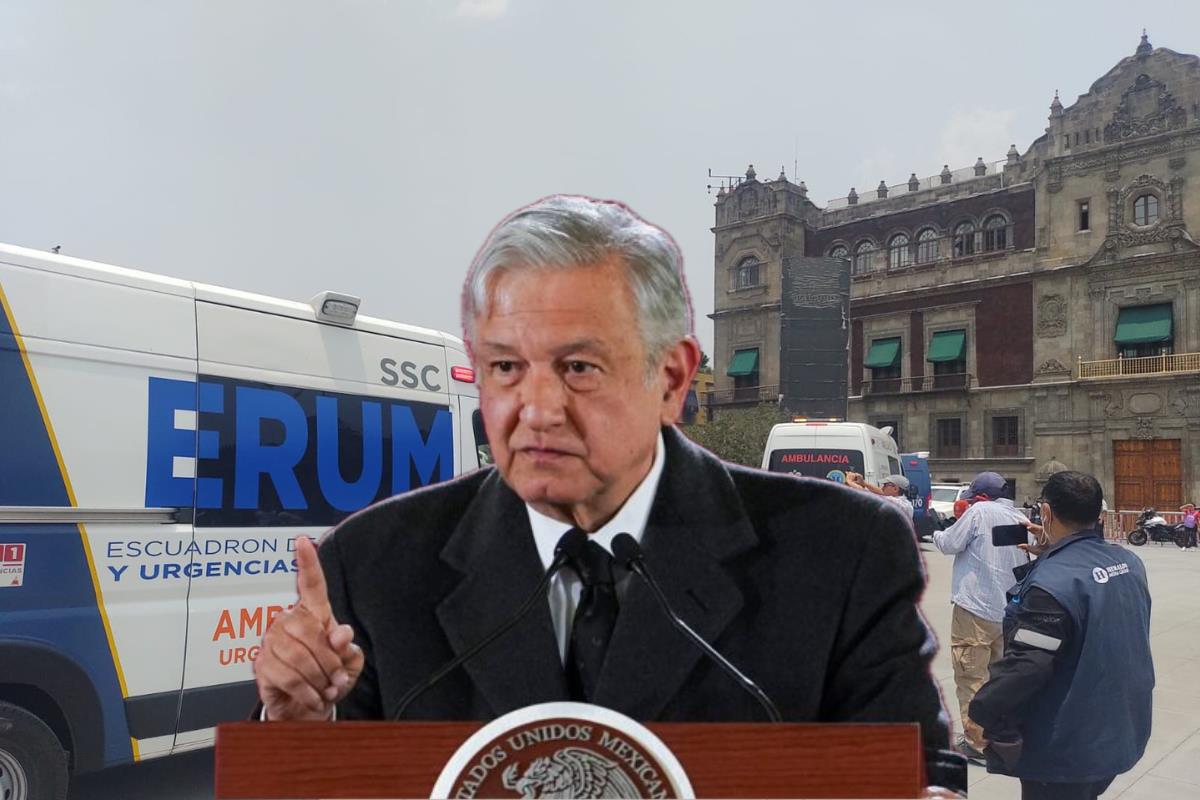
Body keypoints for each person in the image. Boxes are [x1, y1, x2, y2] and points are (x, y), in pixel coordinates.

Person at [251, 195, 966, 795]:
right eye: (505, 366)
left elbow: (917, 769)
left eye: (579, 367)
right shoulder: (373, 566)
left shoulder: (838, 551)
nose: (535, 408)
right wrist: (298, 735)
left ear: (673, 379)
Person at [970, 471, 1152, 800]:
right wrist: (1054, 554)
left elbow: (1027, 667)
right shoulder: (1129, 561)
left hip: (1066, 748)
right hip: (1118, 729)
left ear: (1048, 513)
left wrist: (984, 708)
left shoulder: (1051, 585)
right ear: (1098, 514)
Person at [930, 471, 1030, 763]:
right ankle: (998, 733)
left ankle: (976, 742)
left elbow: (949, 544)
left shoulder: (980, 511)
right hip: (1007, 610)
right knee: (998, 676)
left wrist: (938, 527)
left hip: (975, 608)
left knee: (971, 675)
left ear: (982, 497)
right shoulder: (1018, 515)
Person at [845, 472, 915, 518]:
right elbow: (880, 492)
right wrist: (863, 483)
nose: (882, 487)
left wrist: (849, 480)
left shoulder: (897, 503)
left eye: (885, 485)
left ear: (895, 489)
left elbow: (865, 494)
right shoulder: (905, 503)